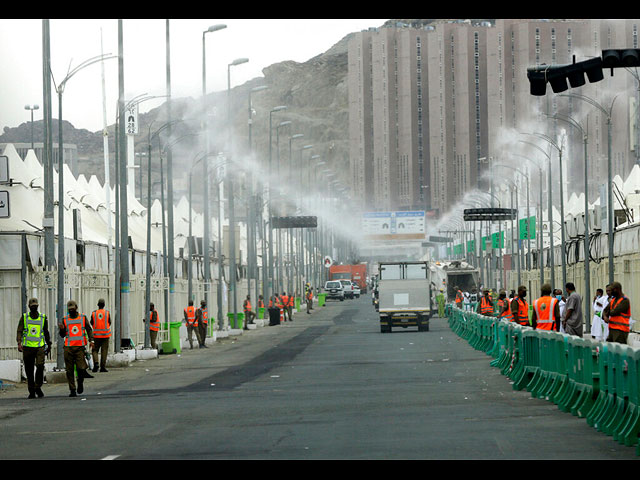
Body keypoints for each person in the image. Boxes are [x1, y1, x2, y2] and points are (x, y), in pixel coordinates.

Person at [17, 297, 52, 399]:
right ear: (29, 307)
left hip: (39, 346)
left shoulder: (42, 318)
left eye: (35, 306)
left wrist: (49, 344)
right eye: (32, 306)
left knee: (40, 366)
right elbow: (19, 330)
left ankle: (38, 386)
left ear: (38, 306)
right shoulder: (24, 317)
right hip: (27, 347)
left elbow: (46, 331)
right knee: (29, 369)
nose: (34, 308)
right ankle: (31, 390)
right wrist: (19, 343)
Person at [59, 300, 94, 397]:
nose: (71, 311)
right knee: (69, 370)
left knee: (81, 368)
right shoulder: (65, 319)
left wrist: (92, 340)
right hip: (68, 347)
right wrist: (61, 329)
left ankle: (80, 382)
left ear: (76, 308)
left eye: (72, 309)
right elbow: (62, 335)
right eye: (69, 309)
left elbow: (88, 329)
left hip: (79, 348)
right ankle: (72, 389)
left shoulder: (82, 318)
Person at [90, 298, 111, 373]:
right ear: (104, 305)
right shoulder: (107, 313)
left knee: (95, 350)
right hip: (105, 335)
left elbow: (91, 322)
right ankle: (103, 367)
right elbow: (109, 322)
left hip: (96, 336)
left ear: (98, 305)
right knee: (104, 351)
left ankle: (96, 363)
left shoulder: (94, 313)